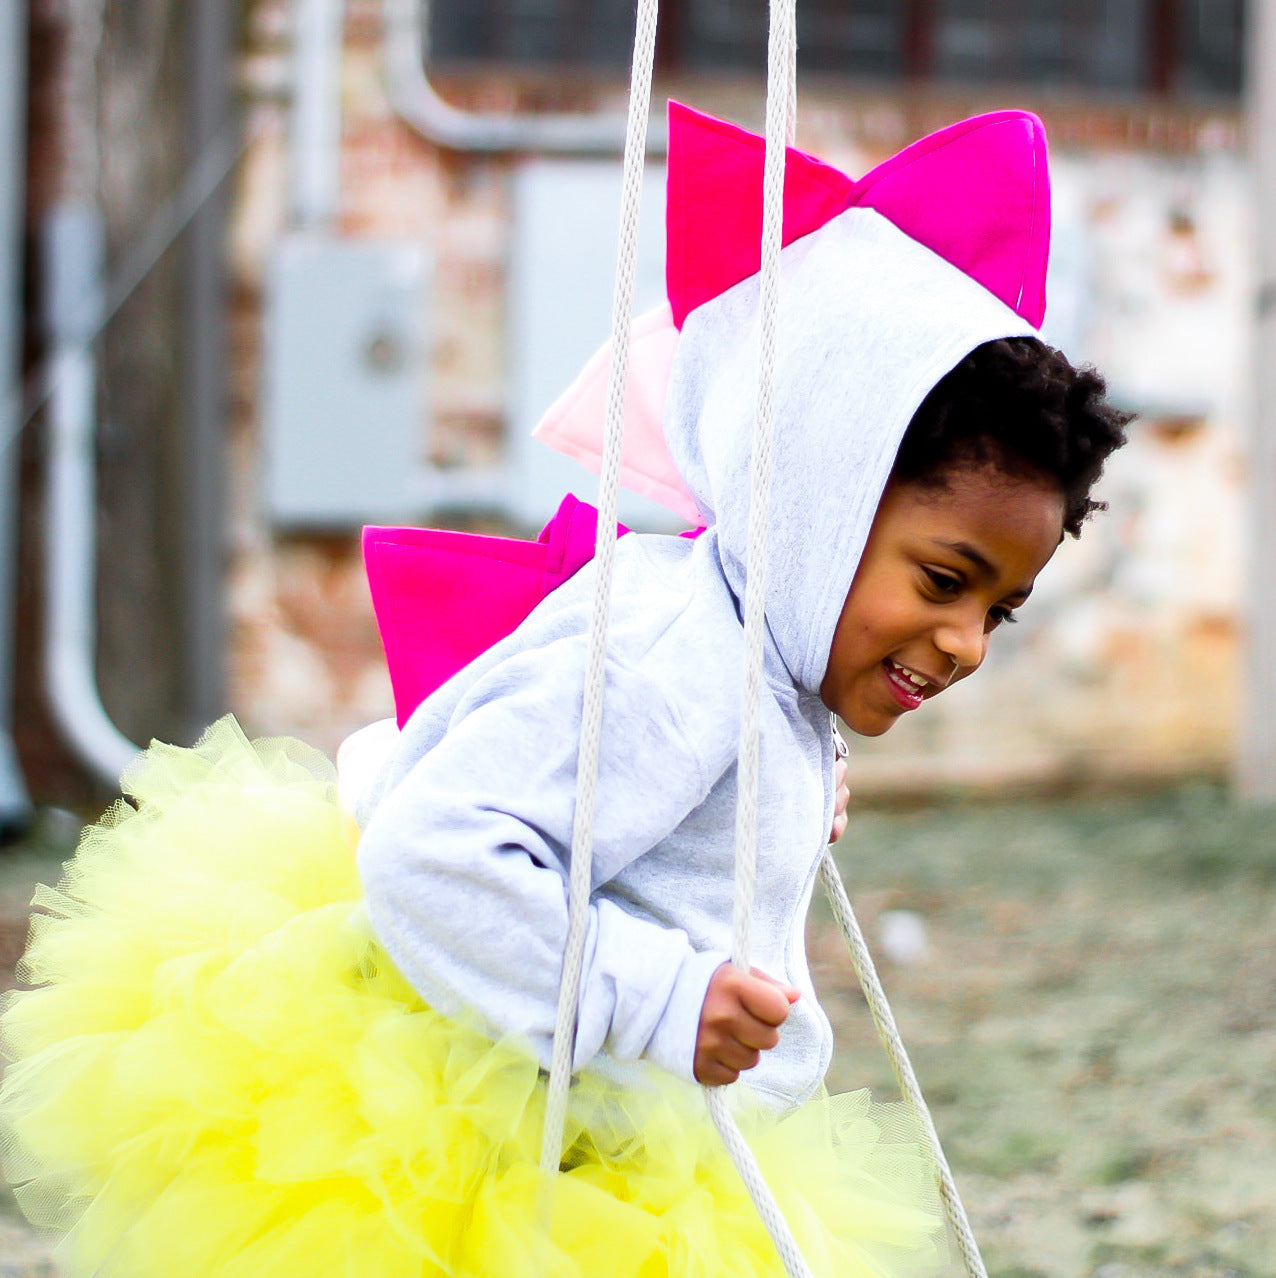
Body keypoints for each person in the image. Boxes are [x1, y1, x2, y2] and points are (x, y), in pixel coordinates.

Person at [0, 106, 1128, 1278]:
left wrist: (784, 795)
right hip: (523, 1161)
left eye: (998, 608)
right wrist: (658, 1000)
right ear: (808, 504)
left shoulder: (745, 653)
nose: (965, 643)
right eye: (944, 581)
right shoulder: (675, 667)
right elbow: (430, 854)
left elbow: (656, 809)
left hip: (630, 1142)